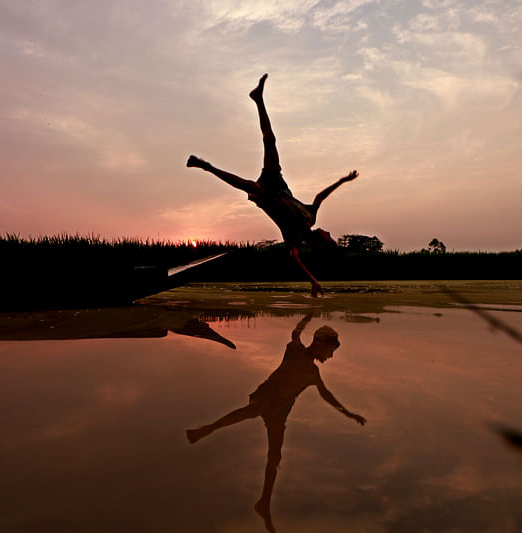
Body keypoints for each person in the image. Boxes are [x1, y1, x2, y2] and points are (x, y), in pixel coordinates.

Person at [186, 315, 366, 532]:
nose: (331, 355)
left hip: (280, 412)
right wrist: (309, 314)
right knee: (250, 412)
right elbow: (296, 333)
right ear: (319, 343)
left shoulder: (312, 373)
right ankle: (206, 430)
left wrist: (348, 413)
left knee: (275, 455)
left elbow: (326, 395)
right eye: (330, 350)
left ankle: (264, 502)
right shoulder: (295, 351)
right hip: (267, 397)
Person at [187, 74, 358, 297]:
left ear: (321, 242)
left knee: (250, 186)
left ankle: (207, 166)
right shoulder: (311, 216)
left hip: (267, 196)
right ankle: (258, 99)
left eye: (330, 237)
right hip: (277, 183)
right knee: (270, 140)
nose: (329, 233)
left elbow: (294, 258)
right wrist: (342, 181)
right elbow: (320, 196)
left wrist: (312, 281)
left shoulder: (295, 238)